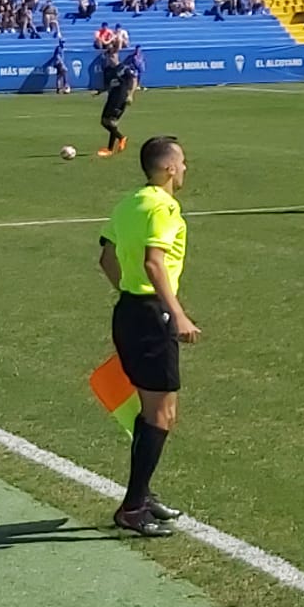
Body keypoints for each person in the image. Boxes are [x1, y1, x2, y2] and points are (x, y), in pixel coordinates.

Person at [98, 136, 198, 536]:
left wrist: (130, 294)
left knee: (156, 412)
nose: (186, 169)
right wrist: (177, 315)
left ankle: (142, 494)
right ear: (169, 168)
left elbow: (106, 258)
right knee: (161, 415)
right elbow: (154, 263)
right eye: (183, 163)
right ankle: (133, 508)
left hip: (129, 310)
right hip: (152, 316)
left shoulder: (128, 203)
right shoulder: (164, 207)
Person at [97, 58, 137, 157]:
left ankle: (116, 142)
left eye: (112, 56)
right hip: (111, 98)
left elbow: (134, 79)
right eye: (109, 56)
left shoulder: (123, 68)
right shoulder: (108, 70)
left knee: (111, 122)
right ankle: (116, 142)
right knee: (104, 121)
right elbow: (108, 85)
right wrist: (99, 92)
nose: (110, 59)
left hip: (121, 97)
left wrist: (130, 95)